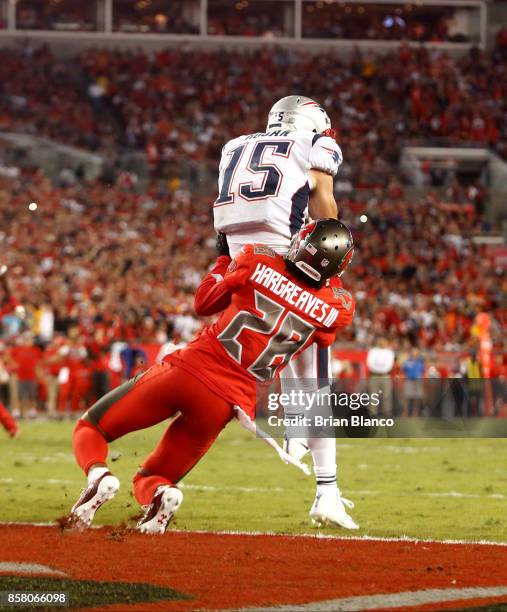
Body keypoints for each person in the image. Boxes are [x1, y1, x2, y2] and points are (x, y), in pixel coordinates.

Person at [69, 219, 357, 534]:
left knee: (90, 428)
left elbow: (204, 303)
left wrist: (222, 260)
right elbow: (323, 324)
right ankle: (162, 495)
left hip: (188, 370)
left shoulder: (258, 260)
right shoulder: (336, 309)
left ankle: (99, 476)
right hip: (226, 402)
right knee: (154, 477)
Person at [213, 95, 355, 527]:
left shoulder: (234, 144)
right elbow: (322, 201)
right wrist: (335, 251)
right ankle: (327, 491)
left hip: (240, 258)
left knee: (291, 354)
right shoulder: (315, 144)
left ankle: (295, 429)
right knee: (317, 369)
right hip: (287, 255)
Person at [0, 266, 20, 438]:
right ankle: (11, 427)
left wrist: (4, 278)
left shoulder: (8, 310)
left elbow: (12, 299)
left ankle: (11, 427)